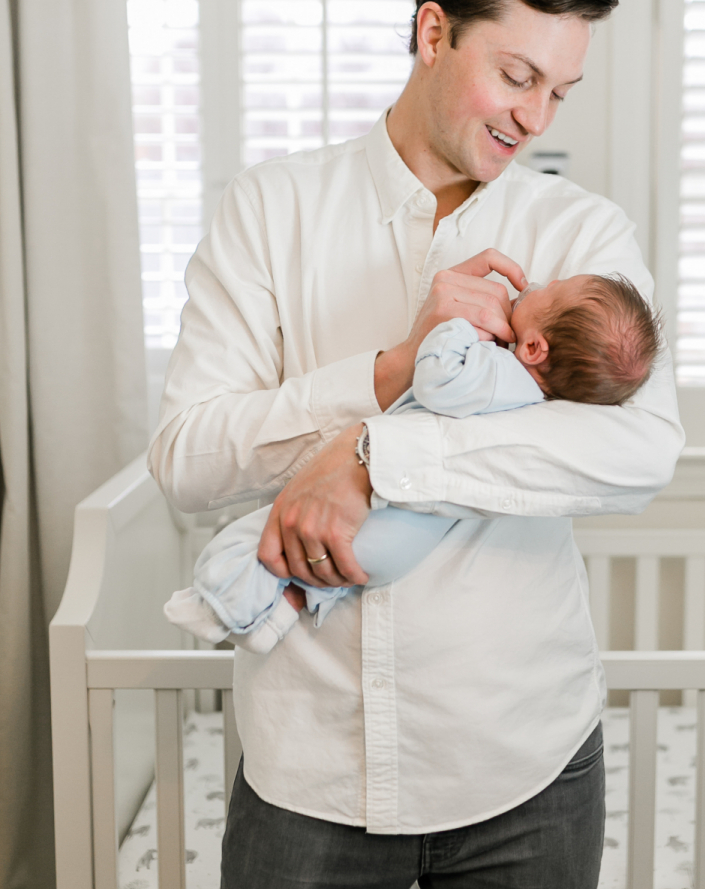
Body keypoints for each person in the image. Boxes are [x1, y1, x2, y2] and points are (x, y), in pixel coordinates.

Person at [148, 0, 685, 889]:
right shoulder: (268, 213)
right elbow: (186, 458)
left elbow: (637, 449)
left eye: (560, 90)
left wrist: (377, 459)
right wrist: (387, 375)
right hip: (313, 765)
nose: (534, 118)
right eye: (516, 74)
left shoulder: (578, 237)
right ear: (432, 31)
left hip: (525, 760)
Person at [163, 274, 662, 653]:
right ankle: (269, 621)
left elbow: (437, 383)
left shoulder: (496, 369)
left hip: (384, 522)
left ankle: (215, 605)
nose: (534, 283)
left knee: (255, 536)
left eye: (548, 289)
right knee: (300, 574)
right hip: (400, 546)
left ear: (534, 347)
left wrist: (454, 328)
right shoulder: (533, 400)